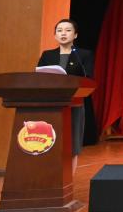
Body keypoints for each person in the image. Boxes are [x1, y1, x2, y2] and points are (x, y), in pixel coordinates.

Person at [36, 19, 94, 170]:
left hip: (74, 103)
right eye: (59, 30)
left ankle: (69, 178)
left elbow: (88, 78)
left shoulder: (83, 55)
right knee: (49, 140)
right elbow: (38, 77)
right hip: (50, 104)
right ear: (55, 35)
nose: (63, 33)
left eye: (68, 30)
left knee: (72, 143)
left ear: (75, 35)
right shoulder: (47, 55)